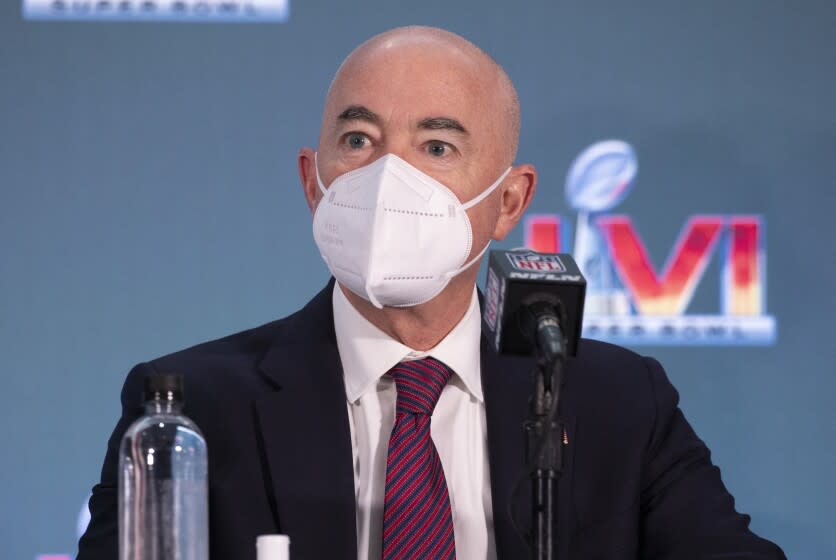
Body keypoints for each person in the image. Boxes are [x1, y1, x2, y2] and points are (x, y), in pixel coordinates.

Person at [77, 26, 786, 560]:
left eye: (436, 148)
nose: (387, 176)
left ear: (509, 200)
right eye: (357, 140)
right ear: (310, 179)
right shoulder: (193, 407)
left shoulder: (618, 402)